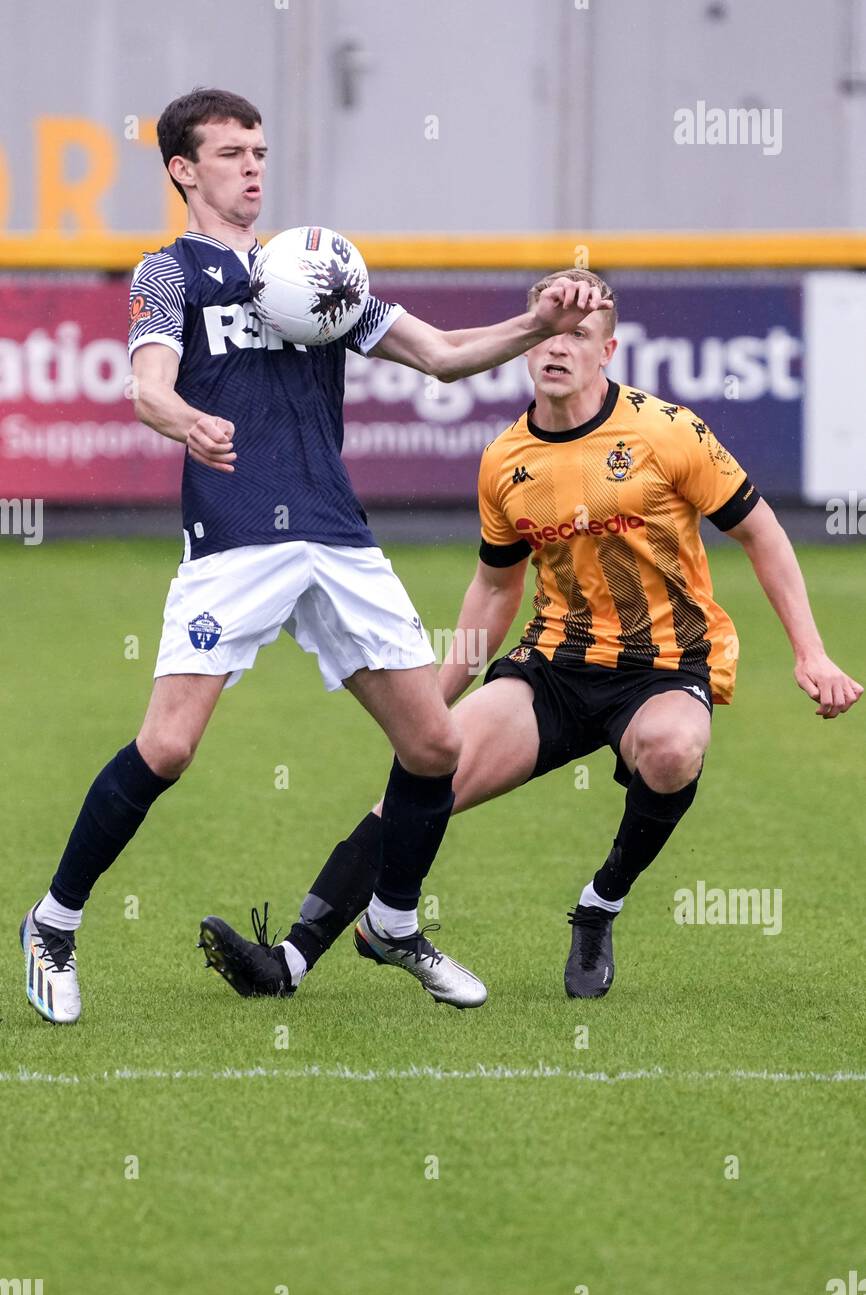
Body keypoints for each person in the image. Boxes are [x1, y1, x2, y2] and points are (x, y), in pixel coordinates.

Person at [20, 90, 610, 1025]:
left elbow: (448, 355)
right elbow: (146, 390)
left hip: (335, 535)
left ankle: (394, 921)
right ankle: (53, 922)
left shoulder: (320, 269)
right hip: (237, 532)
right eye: (230, 153)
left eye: (260, 149)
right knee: (169, 746)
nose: (253, 166)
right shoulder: (168, 274)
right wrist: (188, 421)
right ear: (183, 169)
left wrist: (539, 323)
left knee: (434, 743)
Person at [199, 266, 862, 1004]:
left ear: (608, 350)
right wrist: (434, 698)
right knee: (426, 779)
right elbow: (494, 588)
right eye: (549, 329)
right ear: (527, 342)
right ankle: (288, 961)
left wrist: (812, 651)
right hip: (551, 667)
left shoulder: (668, 432)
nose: (559, 346)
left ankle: (599, 905)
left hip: (663, 667)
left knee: (673, 751)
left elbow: (763, 534)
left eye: (579, 334)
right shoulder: (507, 461)